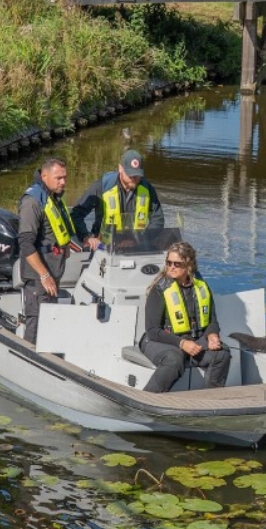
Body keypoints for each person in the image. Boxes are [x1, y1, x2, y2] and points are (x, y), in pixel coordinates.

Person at [17, 157, 101, 345]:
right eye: (58, 178)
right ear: (44, 176)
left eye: (65, 177)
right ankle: (29, 358)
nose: (63, 182)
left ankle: (47, 355)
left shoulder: (53, 198)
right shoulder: (32, 202)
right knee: (37, 324)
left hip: (53, 273)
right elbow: (26, 243)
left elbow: (55, 232)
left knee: (49, 321)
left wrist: (66, 246)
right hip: (40, 277)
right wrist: (44, 275)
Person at [140, 240, 230, 392]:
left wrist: (212, 335)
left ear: (189, 265)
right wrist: (182, 343)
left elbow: (212, 320)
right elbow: (152, 331)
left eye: (177, 264)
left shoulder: (201, 286)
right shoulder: (159, 289)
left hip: (193, 339)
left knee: (222, 354)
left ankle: (211, 399)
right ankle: (149, 397)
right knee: (174, 360)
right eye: (168, 263)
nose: (171, 267)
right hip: (160, 340)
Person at [71, 148, 165, 249]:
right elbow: (76, 214)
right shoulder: (101, 187)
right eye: (130, 174)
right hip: (104, 245)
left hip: (135, 245)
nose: (133, 178)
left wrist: (142, 238)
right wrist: (87, 237)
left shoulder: (147, 189)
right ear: (120, 168)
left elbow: (158, 219)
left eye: (137, 175)